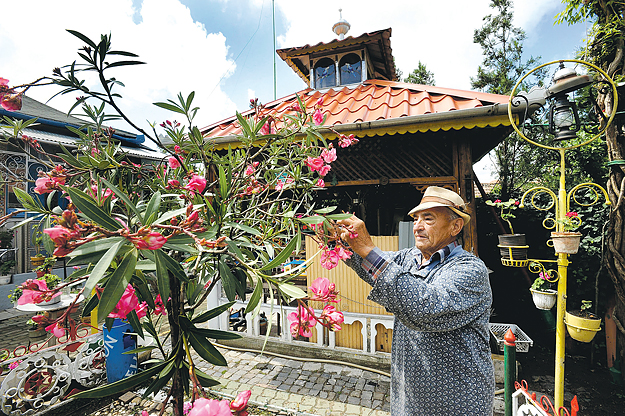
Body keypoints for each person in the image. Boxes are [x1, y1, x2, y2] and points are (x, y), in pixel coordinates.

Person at [337, 186, 494, 416]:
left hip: (458, 403)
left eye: (428, 218)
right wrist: (342, 243)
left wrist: (367, 248)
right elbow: (372, 268)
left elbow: (426, 306)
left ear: (455, 226)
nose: (417, 226)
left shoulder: (469, 269)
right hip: (410, 402)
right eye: (416, 219)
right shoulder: (408, 258)